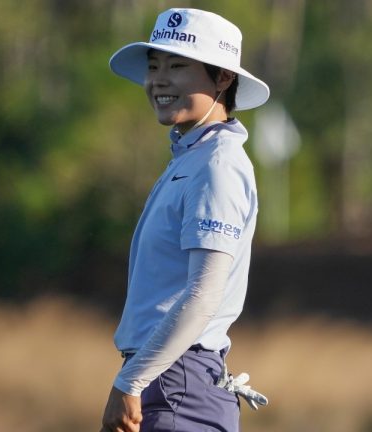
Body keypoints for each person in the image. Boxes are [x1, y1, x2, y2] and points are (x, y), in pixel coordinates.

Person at [100, 8, 270, 432]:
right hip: (169, 379)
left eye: (177, 66)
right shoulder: (193, 158)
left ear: (224, 78)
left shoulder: (217, 164)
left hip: (177, 383)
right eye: (154, 65)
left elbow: (204, 294)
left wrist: (130, 381)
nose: (158, 79)